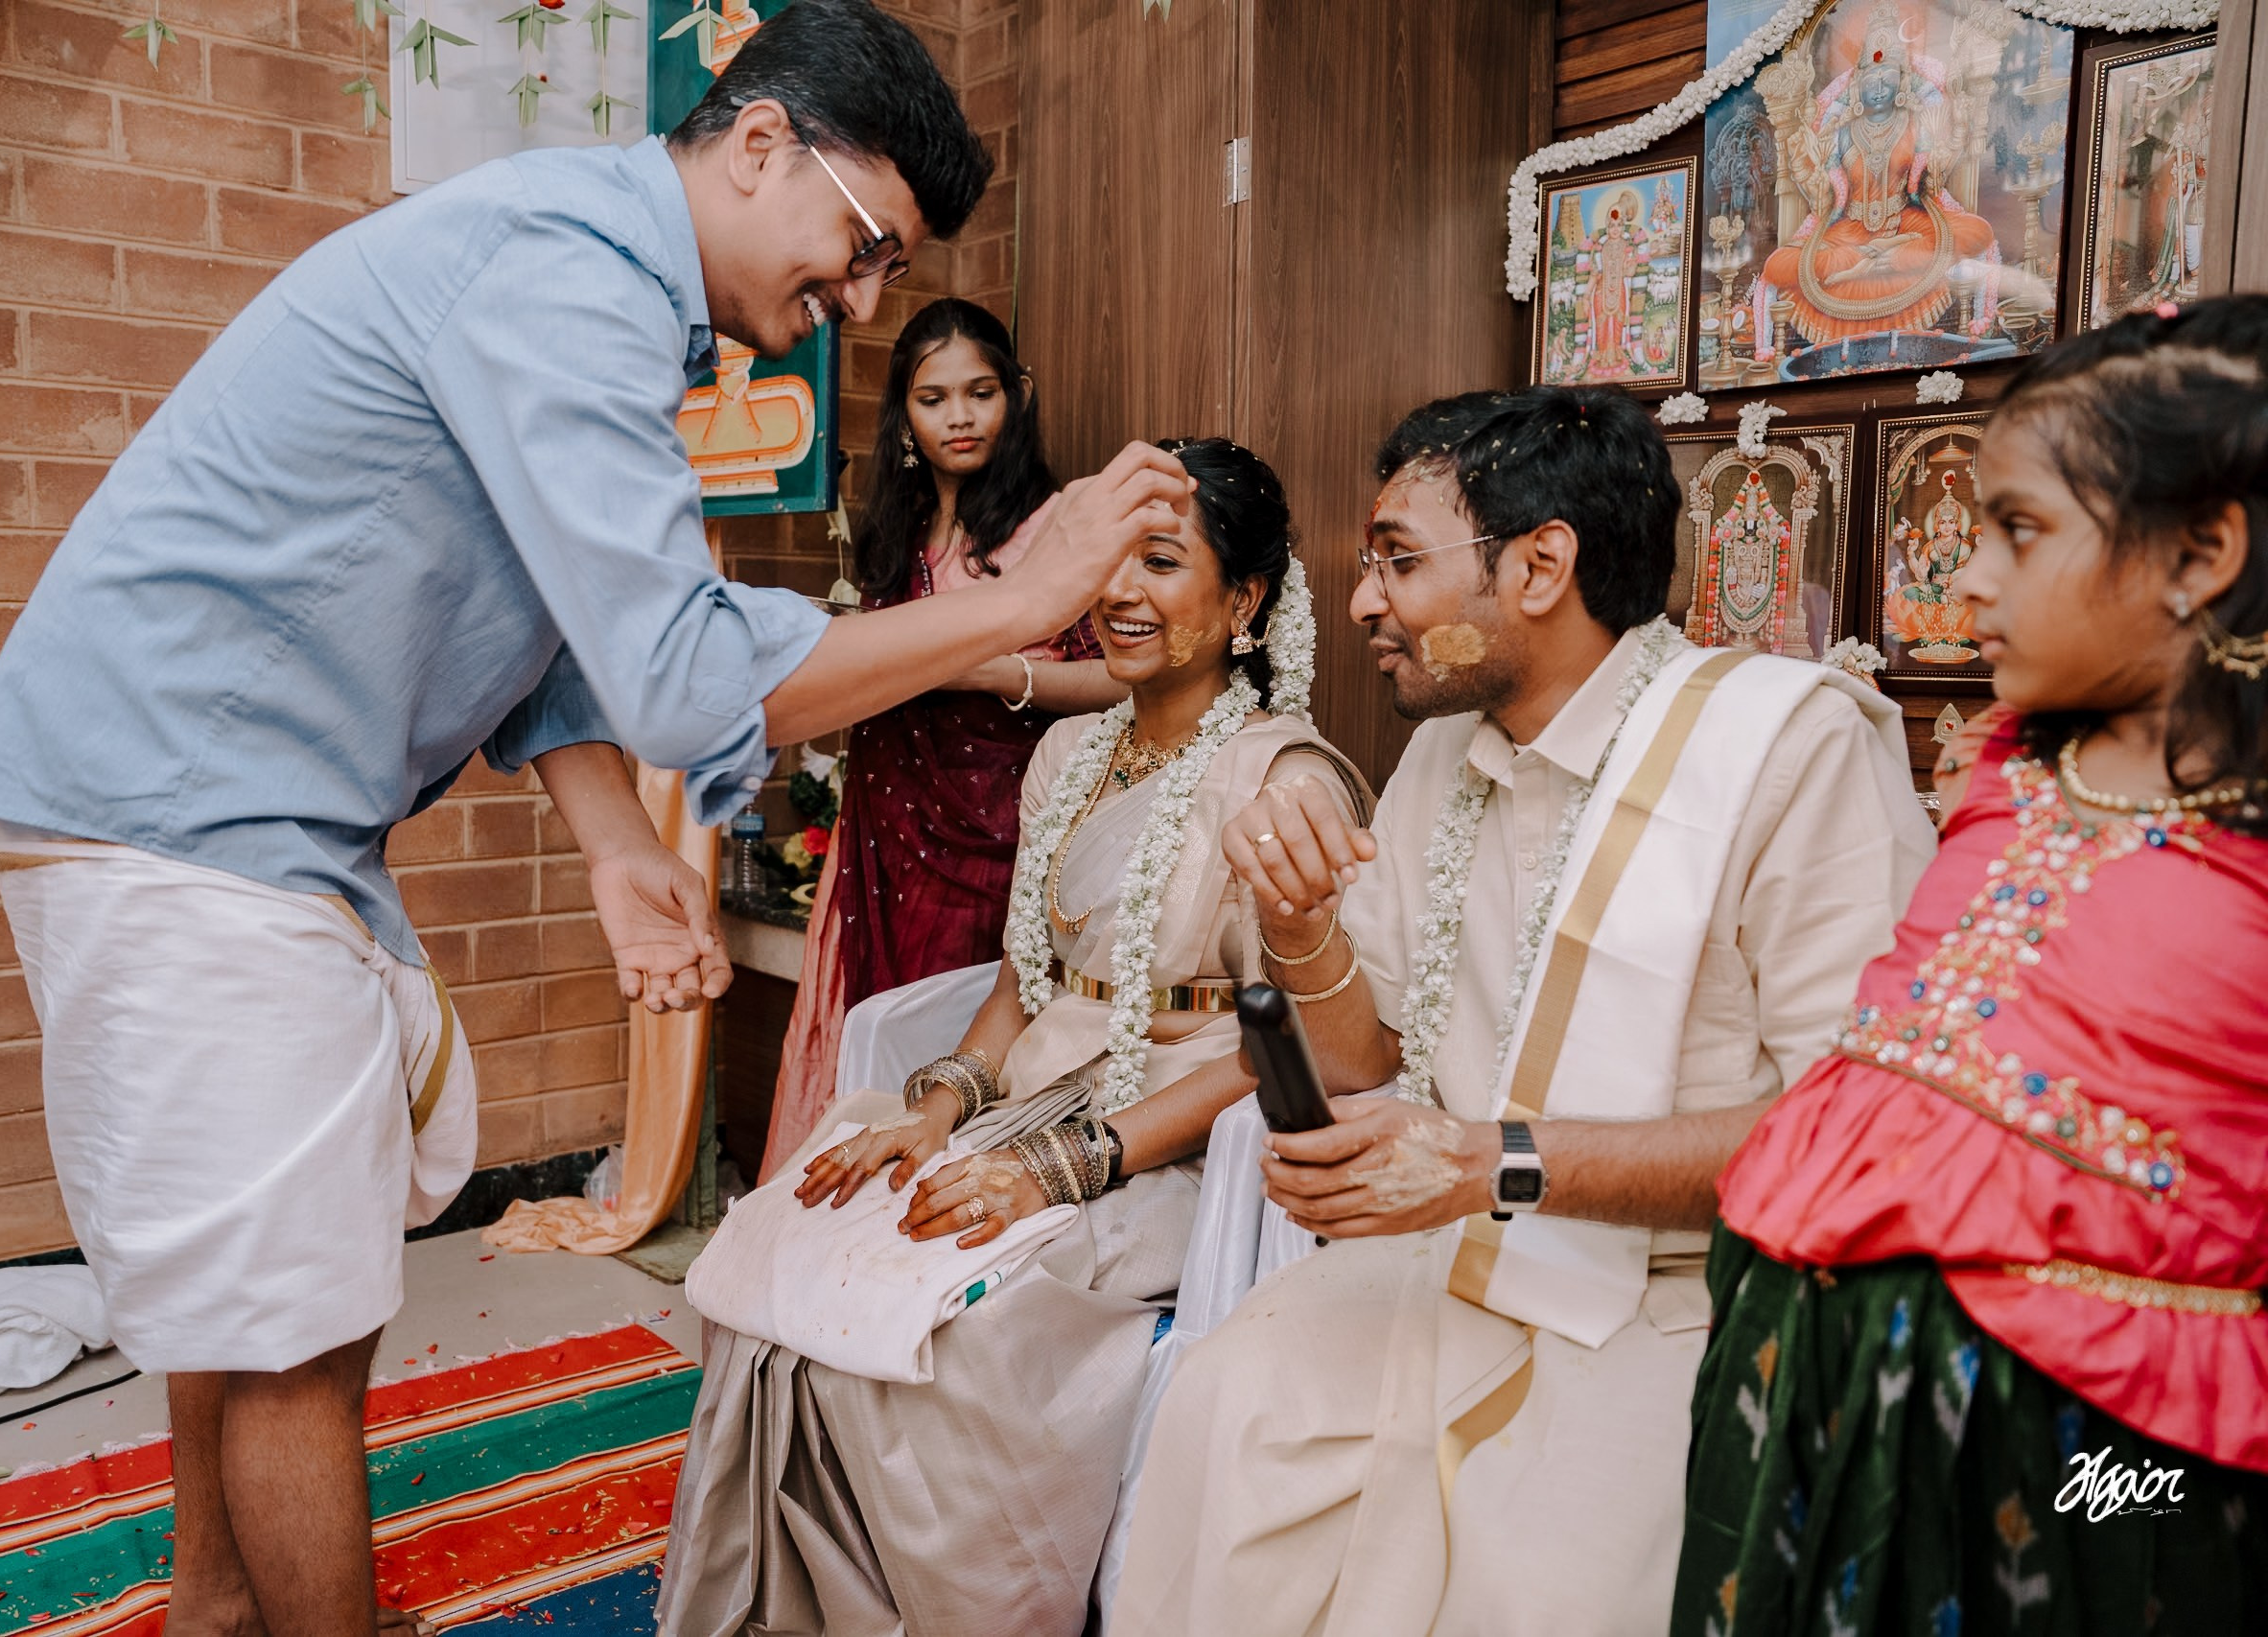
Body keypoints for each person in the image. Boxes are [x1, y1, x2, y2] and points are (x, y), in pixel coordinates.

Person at [0, 4, 1192, 1633]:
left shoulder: (594, 278)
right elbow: (678, 672)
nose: (863, 301)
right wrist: (1019, 600)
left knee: (256, 1300)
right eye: (866, 244)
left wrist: (613, 844)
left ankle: (218, 1607)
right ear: (758, 143)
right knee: (294, 1328)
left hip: (203, 814)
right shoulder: (570, 273)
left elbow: (540, 609)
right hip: (185, 817)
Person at [1111, 386, 1936, 1637]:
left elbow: (1864, 1135)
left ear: (1542, 562)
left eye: (1397, 559)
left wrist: (1490, 1163)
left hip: (1679, 1308)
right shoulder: (1449, 747)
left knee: (1530, 1577)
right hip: (1451, 1261)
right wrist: (1294, 923)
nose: (1362, 602)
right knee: (1222, 1408)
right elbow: (1360, 1053)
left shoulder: (1789, 748)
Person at [661, 439, 1366, 1637]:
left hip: (1173, 1143)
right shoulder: (1068, 754)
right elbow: (1025, 980)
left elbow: (1283, 1046)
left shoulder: (1283, 779)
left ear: (1244, 602)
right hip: (1022, 1104)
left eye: (1163, 562)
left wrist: (1066, 1162)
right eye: (1110, 563)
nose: (1123, 595)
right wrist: (934, 1109)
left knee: (951, 1328)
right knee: (800, 1249)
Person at [1672, 297, 2268, 1635]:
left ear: (2203, 549)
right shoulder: (2013, 766)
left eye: (2020, 529)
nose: (1968, 581)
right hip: (1802, 1398)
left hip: (2098, 1460)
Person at [763, 297, 1124, 1175]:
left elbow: (1119, 676)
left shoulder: (1053, 528)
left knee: (957, 1030)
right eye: (934, 399)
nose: (959, 417)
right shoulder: (894, 529)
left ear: (1016, 396)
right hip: (889, 823)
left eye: (981, 392)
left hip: (989, 834)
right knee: (874, 1015)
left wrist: (999, 671)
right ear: (904, 415)